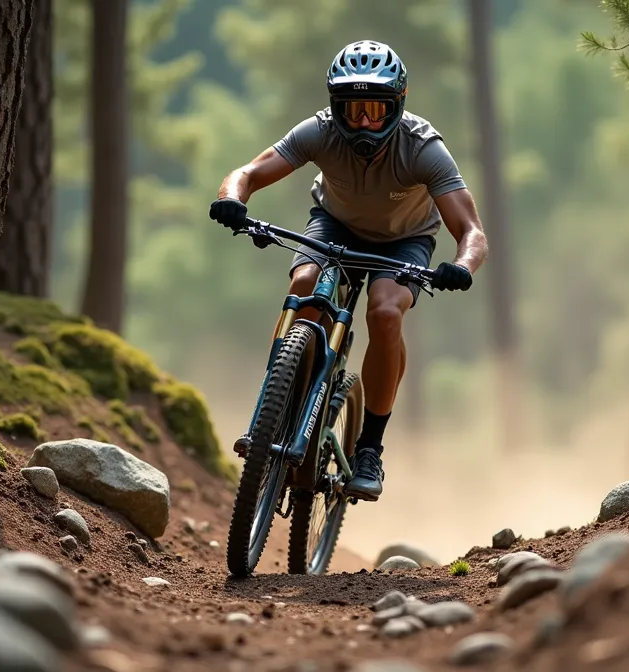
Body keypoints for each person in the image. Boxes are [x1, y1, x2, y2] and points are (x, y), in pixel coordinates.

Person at [208, 39, 489, 502]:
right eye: (353, 109)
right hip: (333, 225)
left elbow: (472, 230)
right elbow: (248, 173)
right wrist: (231, 200)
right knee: (303, 286)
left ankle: (369, 449)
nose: (363, 122)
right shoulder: (320, 131)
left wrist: (462, 266)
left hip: (404, 240)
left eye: (375, 111)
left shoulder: (424, 148)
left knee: (384, 312)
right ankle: (275, 410)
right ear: (335, 106)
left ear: (397, 105)